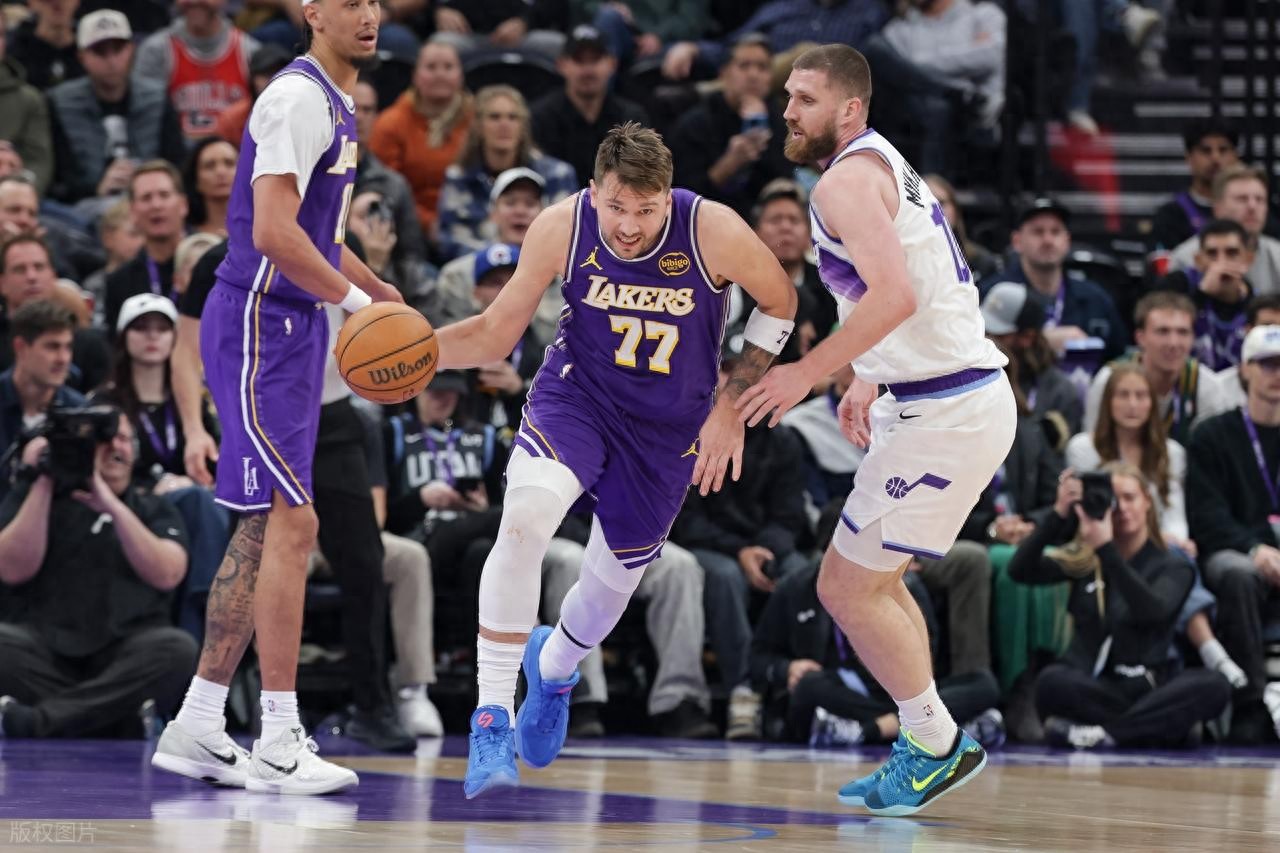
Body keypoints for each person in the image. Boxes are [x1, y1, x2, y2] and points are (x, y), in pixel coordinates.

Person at [433, 121, 796, 797]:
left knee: (606, 594)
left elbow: (781, 303)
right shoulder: (561, 226)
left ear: (669, 197)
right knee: (524, 523)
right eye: (616, 207)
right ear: (594, 191)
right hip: (578, 397)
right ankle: (491, 717)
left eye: (646, 210)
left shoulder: (712, 229)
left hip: (667, 427)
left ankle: (555, 670)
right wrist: (420, 353)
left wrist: (730, 405)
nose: (629, 226)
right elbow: (495, 332)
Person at [734, 44, 1015, 816]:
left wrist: (808, 371)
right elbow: (908, 281)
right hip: (933, 396)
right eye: (788, 97)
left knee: (844, 587)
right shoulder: (874, 163)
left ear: (850, 108)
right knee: (874, 583)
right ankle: (928, 740)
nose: (788, 111)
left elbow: (893, 295)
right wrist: (868, 371)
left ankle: (935, 740)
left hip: (948, 409)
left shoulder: (845, 182)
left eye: (806, 99)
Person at [150, 0, 402, 795]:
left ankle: (199, 720)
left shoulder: (336, 101)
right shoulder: (296, 98)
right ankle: (281, 737)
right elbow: (271, 233)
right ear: (311, 11)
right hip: (262, 324)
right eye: (350, 2)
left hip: (289, 327)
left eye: (375, 1)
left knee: (264, 528)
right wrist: (356, 307)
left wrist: (376, 288)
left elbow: (319, 235)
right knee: (297, 521)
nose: (369, 14)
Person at [0, 409, 197, 739]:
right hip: (46, 650)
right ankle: (114, 720)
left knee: (178, 650)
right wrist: (45, 478)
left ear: (135, 450)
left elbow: (168, 574)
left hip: (125, 650)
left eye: (123, 439)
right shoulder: (37, 494)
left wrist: (111, 504)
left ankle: (39, 721)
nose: (115, 447)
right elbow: (11, 570)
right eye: (103, 440)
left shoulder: (152, 506)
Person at [1009, 463, 1231, 749]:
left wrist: (1107, 550)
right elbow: (1019, 570)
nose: (1122, 508)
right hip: (1096, 686)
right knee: (1051, 682)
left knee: (1214, 685)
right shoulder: (1086, 562)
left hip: (1149, 685)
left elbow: (1153, 611)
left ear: (1147, 502)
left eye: (1130, 498)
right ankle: (1161, 728)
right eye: (1113, 500)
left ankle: (1107, 733)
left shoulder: (1174, 564)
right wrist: (1058, 513)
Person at [1065, 362, 1247, 690]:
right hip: (1102, 538)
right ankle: (1206, 646)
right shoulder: (1083, 448)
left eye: (1141, 396)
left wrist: (1175, 537)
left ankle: (1194, 652)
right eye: (1123, 395)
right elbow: (1085, 508)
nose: (1133, 404)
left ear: (1154, 404)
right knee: (1170, 558)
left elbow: (1174, 511)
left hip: (1155, 542)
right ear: (1107, 402)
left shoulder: (1172, 452)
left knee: (1178, 557)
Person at [1187, 324, 1280, 744]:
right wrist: (1253, 547)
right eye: (1266, 365)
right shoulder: (1211, 434)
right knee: (1239, 574)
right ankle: (1251, 706)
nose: (1276, 374)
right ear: (1245, 370)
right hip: (1235, 550)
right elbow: (1207, 515)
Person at [47, 11, 187, 205]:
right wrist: (96, 188)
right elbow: (58, 181)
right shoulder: (59, 103)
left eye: (118, 49)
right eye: (100, 52)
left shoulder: (158, 97)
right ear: (82, 57)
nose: (111, 61)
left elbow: (176, 164)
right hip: (86, 206)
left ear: (131, 50)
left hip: (153, 199)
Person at [436, 84, 577, 261]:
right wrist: (501, 261)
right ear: (478, 125)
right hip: (478, 271)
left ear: (523, 126)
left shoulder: (557, 175)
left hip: (545, 268)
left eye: (513, 117)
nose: (504, 125)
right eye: (494, 117)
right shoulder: (459, 177)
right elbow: (450, 241)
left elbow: (568, 237)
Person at [668, 33, 793, 220]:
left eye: (762, 67)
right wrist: (729, 164)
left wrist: (761, 128)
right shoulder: (695, 124)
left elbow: (784, 181)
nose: (753, 75)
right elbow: (681, 198)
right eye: (744, 66)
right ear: (723, 73)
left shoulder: (782, 121)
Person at [1083, 292, 1233, 446]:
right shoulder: (1109, 380)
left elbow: (1218, 451)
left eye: (1182, 332)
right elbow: (1092, 445)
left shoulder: (1206, 385)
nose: (1173, 343)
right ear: (1140, 338)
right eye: (1163, 332)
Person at [990, 196, 1128, 362]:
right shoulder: (994, 293)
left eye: (1055, 232)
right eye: (1038, 232)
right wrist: (1044, 341)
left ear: (1067, 241)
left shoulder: (1096, 298)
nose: (1048, 240)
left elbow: (1121, 356)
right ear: (1017, 241)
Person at [369, 40, 473, 244]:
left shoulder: (478, 120)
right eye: (431, 67)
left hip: (471, 224)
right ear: (415, 76)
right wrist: (428, 223)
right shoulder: (390, 124)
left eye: (448, 67)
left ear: (461, 75)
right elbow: (386, 188)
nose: (440, 74)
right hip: (407, 229)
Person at [530, 25, 649, 188]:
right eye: (579, 60)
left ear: (612, 64)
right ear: (561, 65)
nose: (588, 70)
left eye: (595, 60)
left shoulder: (632, 119)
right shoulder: (539, 118)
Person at [132, 0, 260, 141]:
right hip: (176, 152)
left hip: (235, 151)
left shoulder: (250, 53)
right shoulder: (156, 51)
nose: (193, 1)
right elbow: (147, 129)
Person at [0, 301, 87, 499]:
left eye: (68, 347)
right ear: (21, 348)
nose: (63, 359)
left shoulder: (78, 411)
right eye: (52, 347)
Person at [980, 280, 1081, 436]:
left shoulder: (1059, 392)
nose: (986, 338)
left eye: (998, 333)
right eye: (984, 329)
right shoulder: (972, 374)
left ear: (1028, 337)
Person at [1151, 218, 1252, 371]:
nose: (1222, 262)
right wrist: (1202, 293)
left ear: (1248, 260)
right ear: (1198, 260)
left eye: (1231, 253)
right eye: (1212, 254)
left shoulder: (1256, 304)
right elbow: (1158, 326)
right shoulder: (1175, 285)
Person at [103, 162, 190, 334]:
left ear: (183, 205)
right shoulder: (119, 281)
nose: (156, 205)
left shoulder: (213, 264)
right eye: (146, 198)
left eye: (164, 195)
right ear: (133, 212)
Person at [1169, 165, 1280, 296]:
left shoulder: (1277, 254)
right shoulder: (1184, 259)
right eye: (1242, 199)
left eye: (1260, 199)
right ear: (1217, 207)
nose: (1252, 206)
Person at [1151, 119, 1242, 251]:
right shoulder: (1170, 216)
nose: (1215, 158)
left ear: (1236, 157)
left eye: (1223, 150)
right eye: (1206, 150)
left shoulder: (1253, 211)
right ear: (1188, 158)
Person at [0, 15, 54, 197]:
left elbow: (39, 164)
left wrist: (18, 185)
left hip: (17, 199)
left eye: (0, 35)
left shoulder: (28, 99)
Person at [6, 0, 84, 91]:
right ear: (32, 3)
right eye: (47, 1)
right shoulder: (13, 49)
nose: (57, 5)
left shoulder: (92, 46)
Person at [182, 138, 238, 236]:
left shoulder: (261, 229)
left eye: (229, 163)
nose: (220, 172)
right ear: (196, 180)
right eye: (209, 166)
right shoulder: (183, 236)